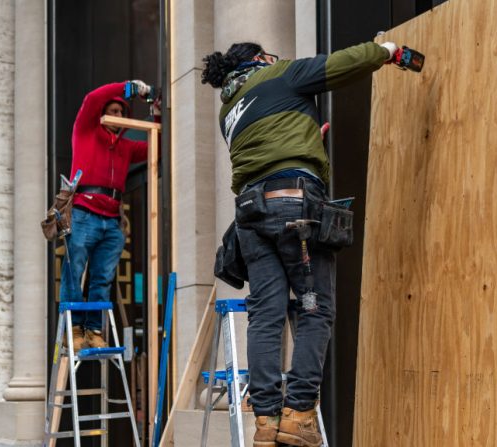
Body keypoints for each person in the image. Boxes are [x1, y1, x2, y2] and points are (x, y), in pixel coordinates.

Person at [201, 40, 402, 447]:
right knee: (314, 309)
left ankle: (266, 421)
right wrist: (388, 49)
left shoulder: (229, 110)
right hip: (295, 209)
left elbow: (270, 149)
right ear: (260, 60)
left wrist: (309, 143)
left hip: (252, 217)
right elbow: (343, 62)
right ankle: (300, 415)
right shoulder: (280, 74)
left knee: (267, 316)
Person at [60, 80, 155, 351]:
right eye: (112, 110)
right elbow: (92, 98)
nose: (118, 115)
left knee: (102, 278)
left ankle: (93, 330)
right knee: (74, 271)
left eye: (122, 112)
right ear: (102, 113)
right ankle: (74, 327)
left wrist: (156, 111)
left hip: (112, 220)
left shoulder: (125, 147)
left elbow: (155, 148)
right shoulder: (86, 130)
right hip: (83, 213)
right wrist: (128, 88)